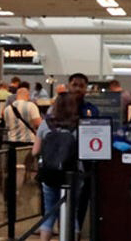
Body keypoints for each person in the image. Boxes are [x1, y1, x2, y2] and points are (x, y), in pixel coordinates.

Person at [34, 93, 79, 241]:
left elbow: (35, 151)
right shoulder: (79, 125)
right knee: (72, 213)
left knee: (49, 212)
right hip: (73, 175)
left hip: (50, 173)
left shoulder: (45, 124)